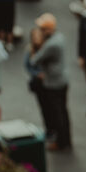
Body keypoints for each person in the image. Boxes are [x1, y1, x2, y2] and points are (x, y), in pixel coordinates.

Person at [30, 13, 71, 152]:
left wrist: (38, 44)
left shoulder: (51, 44)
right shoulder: (59, 38)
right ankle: (66, 140)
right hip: (62, 80)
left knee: (57, 114)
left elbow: (34, 60)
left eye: (42, 28)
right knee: (63, 112)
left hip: (53, 83)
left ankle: (61, 142)